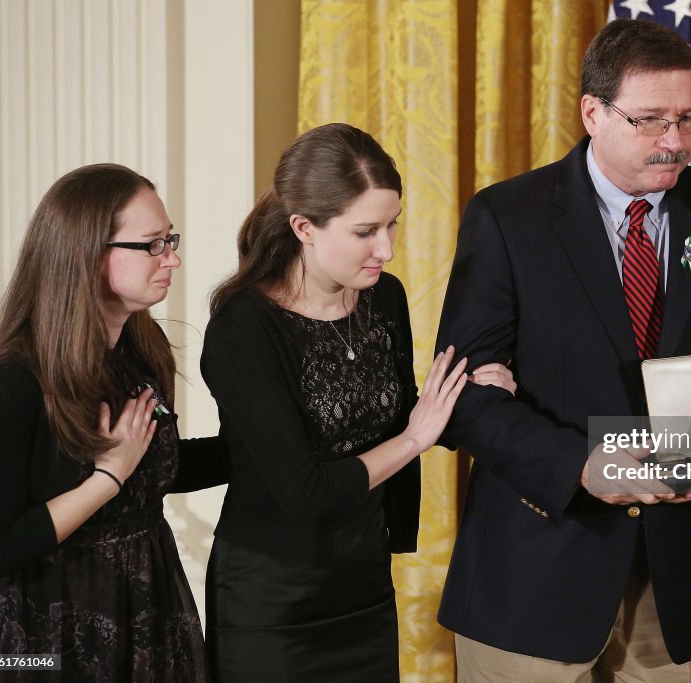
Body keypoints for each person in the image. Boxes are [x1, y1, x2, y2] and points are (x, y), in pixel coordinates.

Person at [434, 18, 691, 682]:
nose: (674, 142)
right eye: (650, 120)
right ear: (593, 112)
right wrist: (581, 465)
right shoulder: (507, 217)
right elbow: (464, 400)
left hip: (673, 583)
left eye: (688, 120)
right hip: (533, 576)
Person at [200, 123, 514, 682]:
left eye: (392, 225)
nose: (387, 249)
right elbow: (309, 493)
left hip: (364, 589)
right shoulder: (243, 328)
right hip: (273, 607)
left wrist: (467, 400)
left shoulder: (383, 299)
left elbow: (399, 416)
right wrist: (418, 437)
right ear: (304, 228)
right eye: (366, 231)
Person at [0, 163, 227, 681]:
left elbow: (156, 469)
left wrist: (275, 447)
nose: (172, 258)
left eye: (170, 240)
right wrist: (107, 477)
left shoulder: (142, 351)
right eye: (153, 244)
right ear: (87, 254)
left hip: (145, 612)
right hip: (39, 642)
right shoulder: (10, 384)